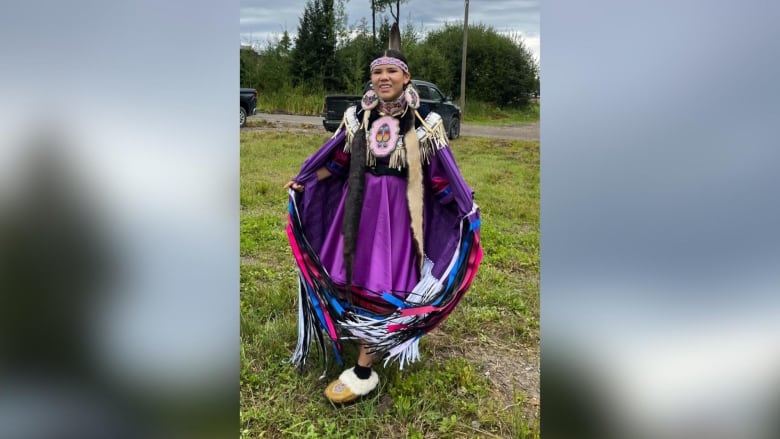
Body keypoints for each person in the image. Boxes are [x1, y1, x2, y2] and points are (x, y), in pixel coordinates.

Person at [284, 35, 482, 404]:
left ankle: (363, 370)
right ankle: (355, 334)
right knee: (351, 273)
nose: (384, 77)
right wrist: (308, 181)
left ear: (407, 78)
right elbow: (339, 165)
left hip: (398, 217)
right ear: (371, 78)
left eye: (392, 71)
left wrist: (458, 207)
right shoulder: (359, 117)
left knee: (382, 278)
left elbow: (439, 176)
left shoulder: (425, 122)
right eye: (377, 72)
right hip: (356, 209)